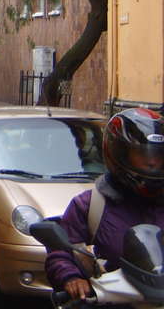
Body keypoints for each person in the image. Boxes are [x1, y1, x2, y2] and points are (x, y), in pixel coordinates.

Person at [45, 108, 164, 301]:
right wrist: (72, 278)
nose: (152, 162)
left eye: (158, 155)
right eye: (142, 154)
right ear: (120, 154)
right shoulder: (91, 205)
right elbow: (61, 253)